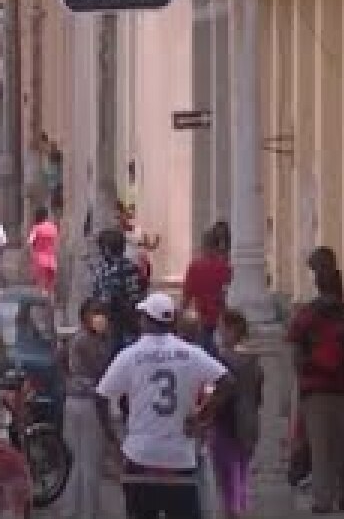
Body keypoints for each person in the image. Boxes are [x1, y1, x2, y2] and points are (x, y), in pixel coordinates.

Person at [96, 292, 234, 519]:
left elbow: (101, 396)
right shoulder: (191, 353)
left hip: (140, 454)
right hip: (179, 457)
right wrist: (203, 416)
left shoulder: (130, 355)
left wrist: (113, 440)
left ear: (146, 320)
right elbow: (226, 382)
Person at [287, 260, 344, 514]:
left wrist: (300, 380)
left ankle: (323, 500)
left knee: (320, 449)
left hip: (316, 391)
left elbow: (294, 348)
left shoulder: (307, 314)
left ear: (317, 285)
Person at [60, 299, 113, 519]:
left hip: (73, 399)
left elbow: (61, 358)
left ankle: (71, 510)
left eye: (102, 313)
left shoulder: (76, 338)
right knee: (89, 461)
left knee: (75, 459)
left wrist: (68, 379)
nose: (101, 317)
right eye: (95, 313)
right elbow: (101, 371)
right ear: (84, 316)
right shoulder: (90, 341)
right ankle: (87, 511)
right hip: (89, 403)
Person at [209, 309, 263, 519]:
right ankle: (239, 510)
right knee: (240, 473)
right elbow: (258, 394)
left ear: (231, 330)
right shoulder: (254, 362)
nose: (218, 331)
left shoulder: (222, 360)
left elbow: (217, 392)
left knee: (225, 478)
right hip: (249, 421)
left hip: (226, 422)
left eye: (221, 327)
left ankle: (232, 513)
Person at [90, 227, 148, 353]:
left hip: (120, 319)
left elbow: (133, 296)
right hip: (112, 318)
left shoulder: (123, 268)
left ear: (107, 248)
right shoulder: (104, 267)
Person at [182, 222, 232, 352]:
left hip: (201, 319)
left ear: (204, 245)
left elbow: (186, 297)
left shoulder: (194, 267)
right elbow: (225, 293)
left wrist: (178, 318)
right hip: (220, 319)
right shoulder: (225, 268)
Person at [26, 207, 59, 300]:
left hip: (40, 260)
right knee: (51, 289)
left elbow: (29, 242)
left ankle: (42, 310)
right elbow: (56, 243)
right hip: (52, 260)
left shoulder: (36, 228)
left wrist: (31, 255)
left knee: (42, 289)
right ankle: (50, 310)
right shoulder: (53, 227)